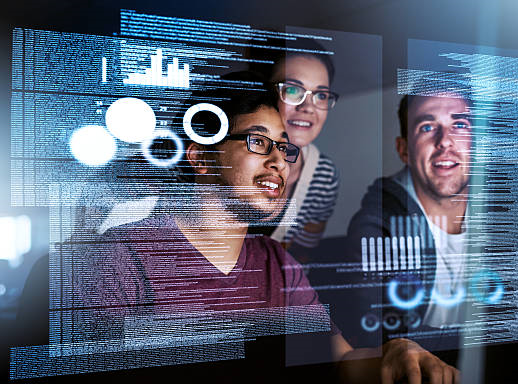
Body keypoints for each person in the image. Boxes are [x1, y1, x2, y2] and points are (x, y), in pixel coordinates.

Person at [72, 73, 459, 383]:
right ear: (202, 157)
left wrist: (394, 355)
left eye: (285, 148)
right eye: (258, 141)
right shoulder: (121, 257)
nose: (280, 161)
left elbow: (338, 358)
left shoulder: (277, 262)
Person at [345, 89, 472, 351]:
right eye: (427, 127)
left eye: (459, 125)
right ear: (403, 150)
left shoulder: (512, 215)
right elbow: (378, 337)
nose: (445, 141)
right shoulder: (376, 228)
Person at [249, 41, 340, 251]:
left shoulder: (323, 176)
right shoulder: (226, 157)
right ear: (263, 92)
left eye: (321, 95)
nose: (308, 107)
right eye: (292, 90)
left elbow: (302, 255)